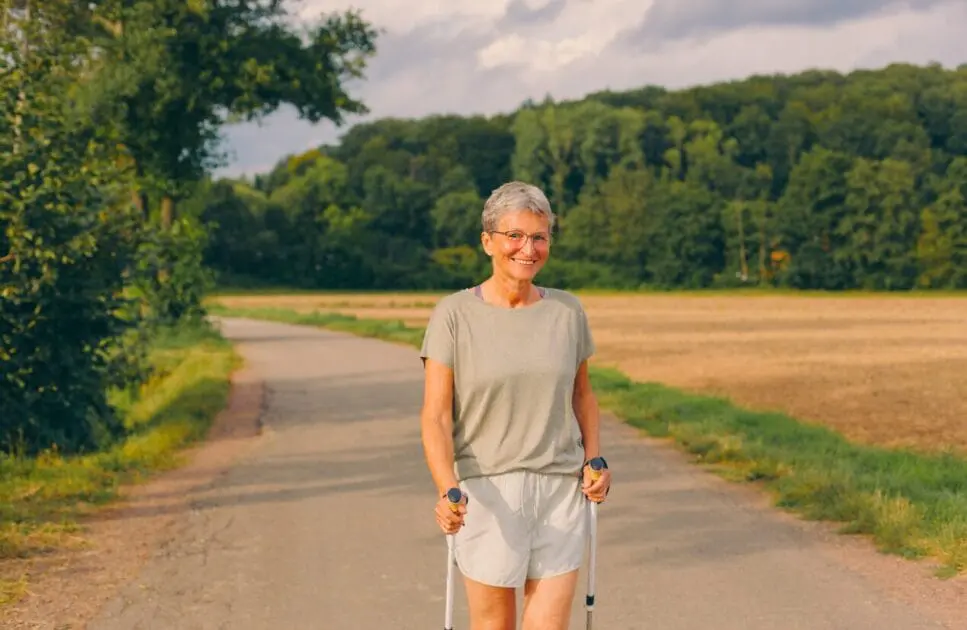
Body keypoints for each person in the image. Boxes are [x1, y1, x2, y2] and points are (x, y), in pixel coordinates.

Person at [419, 180, 612, 630]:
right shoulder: (454, 315)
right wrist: (446, 486)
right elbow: (435, 414)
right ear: (488, 241)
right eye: (515, 235)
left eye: (539, 237)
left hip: (559, 491)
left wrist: (594, 458)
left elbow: (582, 395)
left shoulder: (567, 312)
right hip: (486, 493)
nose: (528, 248)